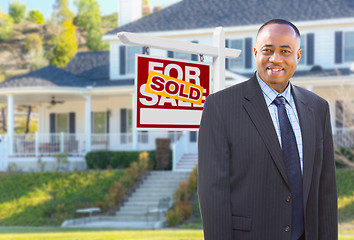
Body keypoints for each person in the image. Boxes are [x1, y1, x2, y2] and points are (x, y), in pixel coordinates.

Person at [198, 19, 338, 240]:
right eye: (268, 50)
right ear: (255, 52)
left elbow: (326, 189)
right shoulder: (221, 106)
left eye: (285, 51)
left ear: (298, 56)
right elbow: (213, 193)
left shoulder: (318, 108)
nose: (276, 59)